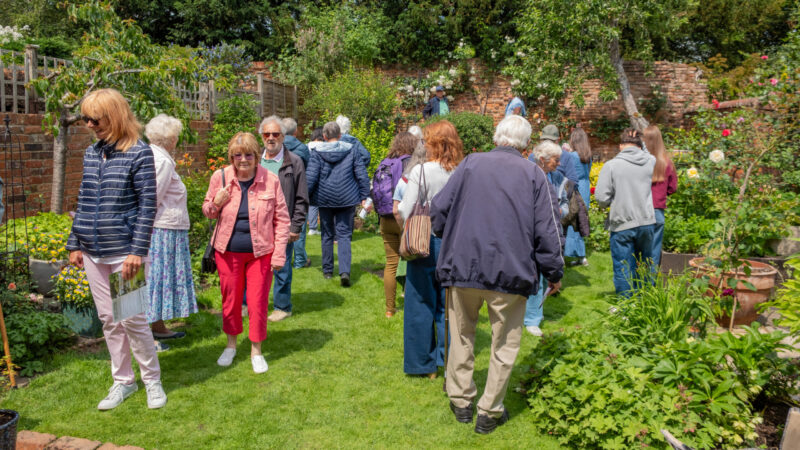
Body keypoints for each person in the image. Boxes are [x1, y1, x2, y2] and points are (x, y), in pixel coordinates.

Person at [430, 115, 564, 434]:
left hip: (464, 267)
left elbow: (438, 208)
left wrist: (446, 235)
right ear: (526, 144)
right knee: (504, 343)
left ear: (497, 137)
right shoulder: (533, 172)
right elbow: (547, 230)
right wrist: (554, 271)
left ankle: (462, 400)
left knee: (461, 335)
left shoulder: (472, 163)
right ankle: (488, 410)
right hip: (509, 271)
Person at [65, 88, 166, 410]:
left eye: (97, 119)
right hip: (93, 251)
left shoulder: (140, 153)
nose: (91, 125)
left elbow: (148, 205)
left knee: (132, 318)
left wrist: (137, 251)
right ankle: (124, 381)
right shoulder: (93, 154)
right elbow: (83, 199)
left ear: (117, 116)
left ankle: (152, 381)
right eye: (87, 119)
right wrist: (74, 243)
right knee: (109, 319)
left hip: (126, 253)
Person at [202, 132, 290, 373]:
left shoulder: (270, 180)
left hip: (260, 253)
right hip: (227, 252)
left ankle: (256, 350)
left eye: (248, 155)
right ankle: (231, 346)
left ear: (256, 156)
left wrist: (279, 253)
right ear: (231, 156)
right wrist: (216, 202)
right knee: (230, 301)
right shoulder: (219, 177)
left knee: (257, 302)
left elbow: (282, 219)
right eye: (237, 155)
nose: (243, 160)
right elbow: (208, 212)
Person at [398, 120, 463, 378]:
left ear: (433, 143)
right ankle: (449, 361)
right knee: (450, 305)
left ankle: (423, 365)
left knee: (420, 302)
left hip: (425, 241)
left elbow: (405, 209)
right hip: (456, 243)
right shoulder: (463, 172)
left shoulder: (422, 171)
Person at [143, 114, 198, 352]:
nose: (177, 139)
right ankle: (148, 336)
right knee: (156, 279)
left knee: (158, 279)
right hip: (162, 229)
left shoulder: (155, 156)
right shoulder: (161, 161)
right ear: (170, 138)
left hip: (166, 227)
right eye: (176, 135)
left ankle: (158, 326)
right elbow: (152, 198)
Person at [305, 121, 370, 287]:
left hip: (325, 199)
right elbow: (361, 174)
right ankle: (344, 271)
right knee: (344, 235)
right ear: (340, 135)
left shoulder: (317, 152)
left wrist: (304, 196)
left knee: (327, 234)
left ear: (324, 136)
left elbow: (311, 177)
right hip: (347, 198)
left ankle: (328, 270)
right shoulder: (352, 149)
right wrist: (364, 195)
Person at [595, 128, 656, 297]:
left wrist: (613, 200)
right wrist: (639, 142)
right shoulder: (650, 161)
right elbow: (647, 152)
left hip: (622, 222)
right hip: (646, 222)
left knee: (623, 266)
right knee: (644, 264)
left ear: (621, 145)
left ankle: (627, 307)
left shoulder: (612, 166)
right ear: (639, 145)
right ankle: (646, 300)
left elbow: (601, 197)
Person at [258, 116, 309, 322]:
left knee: (282, 267)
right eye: (266, 134)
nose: (271, 138)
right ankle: (251, 303)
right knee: (255, 267)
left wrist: (295, 227)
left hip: (282, 225)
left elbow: (302, 197)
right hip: (257, 226)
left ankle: (282, 306)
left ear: (283, 136)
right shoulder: (255, 160)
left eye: (275, 134)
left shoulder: (294, 162)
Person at [526, 140, 567, 336]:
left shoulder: (551, 177)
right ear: (542, 160)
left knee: (538, 276)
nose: (559, 164)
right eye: (556, 160)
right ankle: (531, 319)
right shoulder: (536, 177)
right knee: (535, 275)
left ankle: (533, 316)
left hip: (540, 231)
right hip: (534, 234)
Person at [373, 132, 416, 318]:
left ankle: (390, 310)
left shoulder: (385, 162)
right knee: (414, 262)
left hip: (385, 218)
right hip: (403, 218)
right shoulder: (410, 164)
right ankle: (413, 302)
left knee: (391, 264)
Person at [643, 125, 677, 267]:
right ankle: (650, 285)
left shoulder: (641, 161)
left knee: (639, 251)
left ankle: (636, 283)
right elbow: (673, 188)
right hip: (657, 210)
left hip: (642, 210)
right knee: (654, 252)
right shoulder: (667, 162)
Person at [564, 125, 593, 266]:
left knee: (571, 219)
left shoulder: (572, 156)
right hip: (585, 187)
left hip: (575, 188)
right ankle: (581, 255)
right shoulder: (587, 155)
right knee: (581, 220)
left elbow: (566, 171)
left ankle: (567, 252)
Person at [303, 128, 324, 238]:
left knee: (311, 203)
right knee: (321, 203)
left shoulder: (306, 147)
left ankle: (312, 228)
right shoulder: (324, 147)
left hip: (307, 176)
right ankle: (321, 227)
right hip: (321, 177)